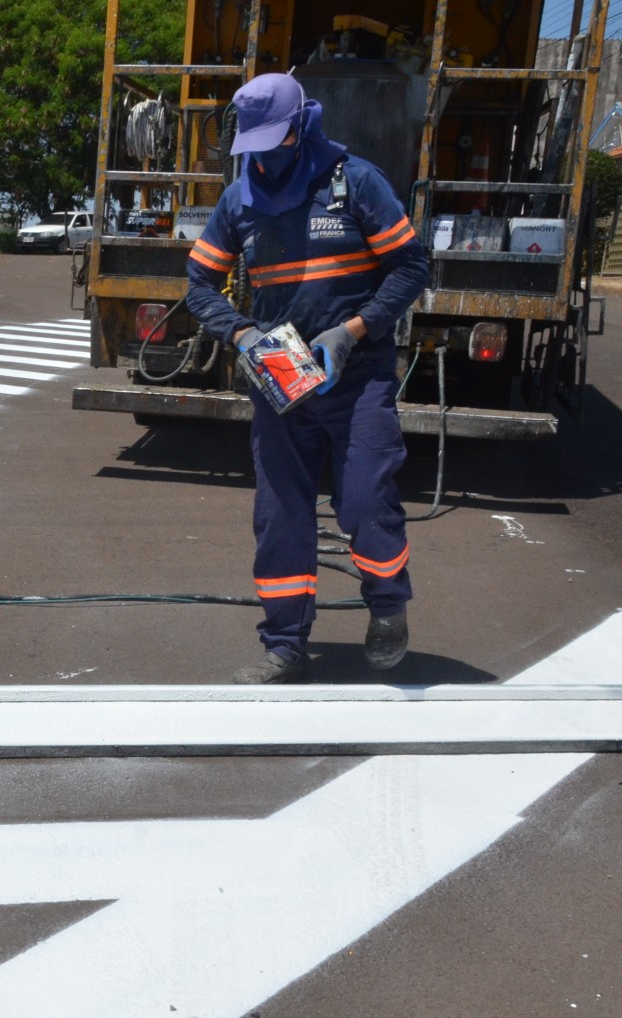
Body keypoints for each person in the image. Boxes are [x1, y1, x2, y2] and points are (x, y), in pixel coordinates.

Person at [185, 72, 430, 685]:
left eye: (274, 142)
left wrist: (353, 331)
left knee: (366, 501)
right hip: (281, 381)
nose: (264, 159)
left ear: (301, 127)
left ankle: (388, 608)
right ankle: (286, 644)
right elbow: (198, 284)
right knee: (281, 515)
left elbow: (410, 267)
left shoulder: (356, 183)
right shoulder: (240, 199)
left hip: (358, 376)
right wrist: (242, 335)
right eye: (254, 146)